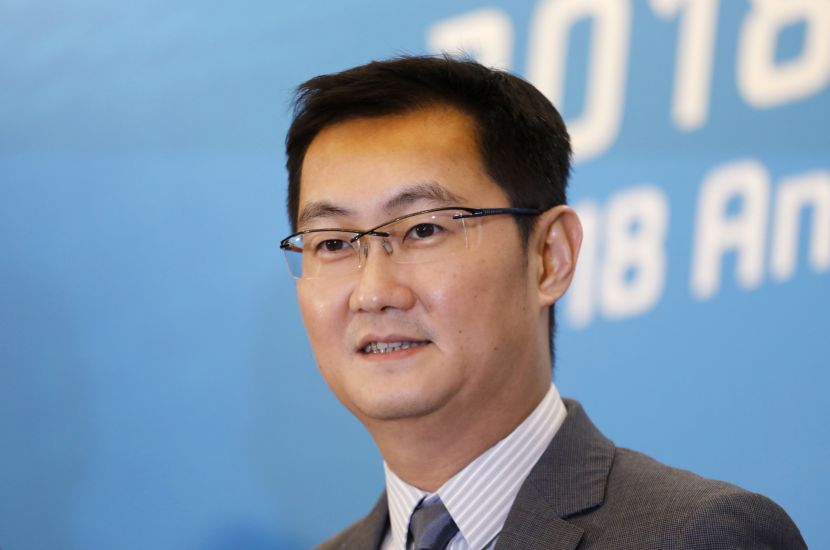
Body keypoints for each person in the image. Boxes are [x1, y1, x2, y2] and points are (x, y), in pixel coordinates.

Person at [280, 55, 805, 550]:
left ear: (549, 257)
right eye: (333, 243)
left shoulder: (700, 535)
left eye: (423, 230)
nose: (373, 292)